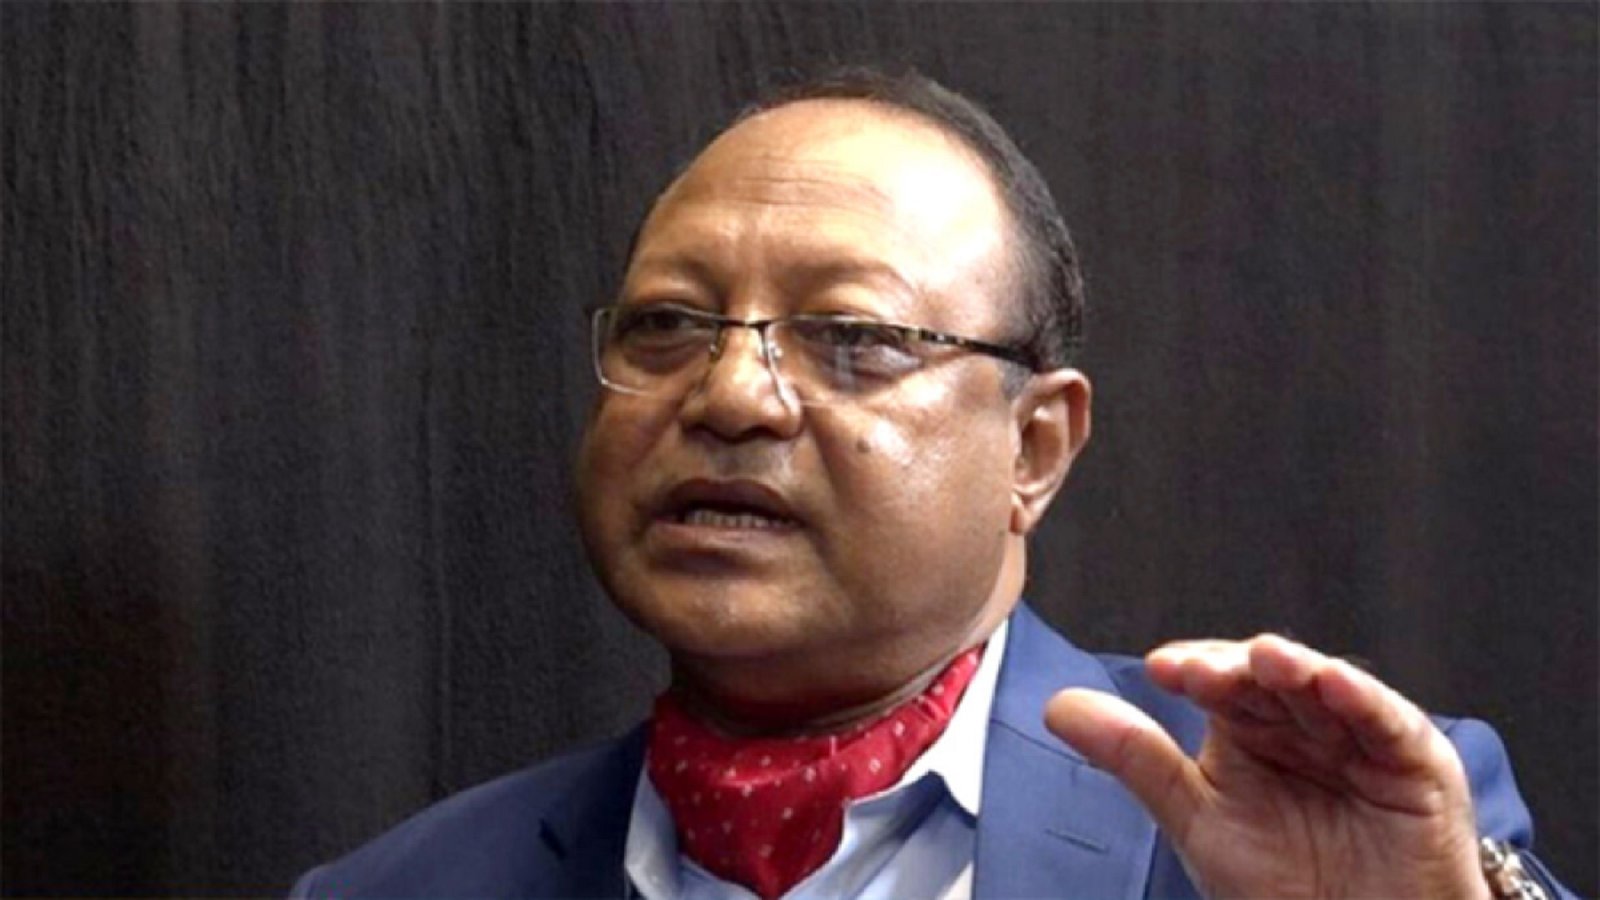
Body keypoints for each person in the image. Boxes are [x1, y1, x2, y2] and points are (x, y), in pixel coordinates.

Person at [292, 68, 1572, 899]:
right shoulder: (401, 889)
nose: (731, 397)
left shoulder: (1313, 826)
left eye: (854, 338)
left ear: (1034, 449)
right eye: (669, 324)